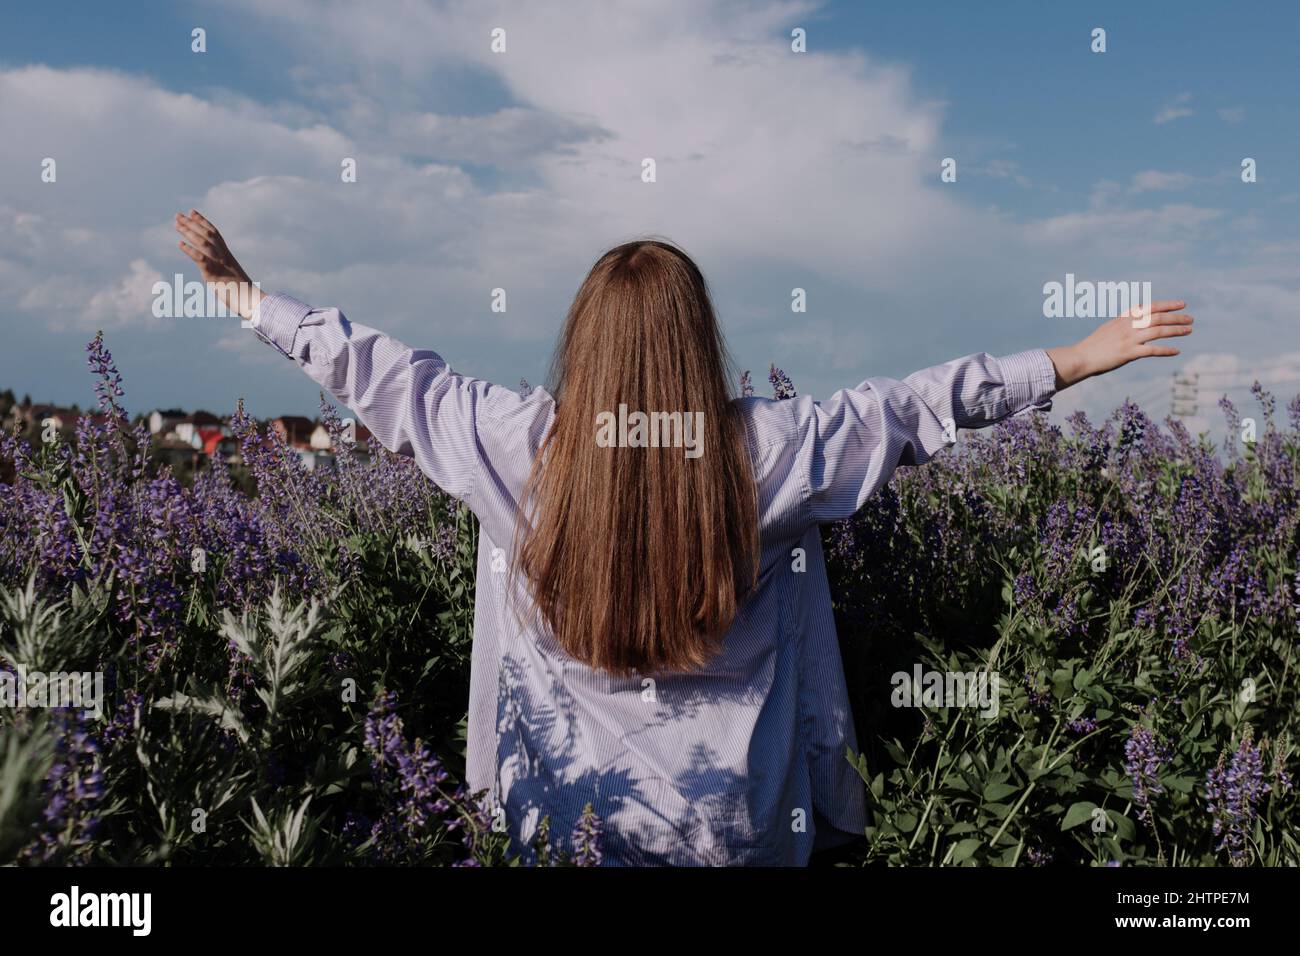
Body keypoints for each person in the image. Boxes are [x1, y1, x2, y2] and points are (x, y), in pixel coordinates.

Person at [174, 209, 1194, 865]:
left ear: (583, 343)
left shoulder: (520, 446)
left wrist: (244, 294)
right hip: (735, 831)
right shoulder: (763, 451)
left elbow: (382, 373)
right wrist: (1073, 356)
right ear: (698, 341)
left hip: (561, 832)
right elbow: (913, 405)